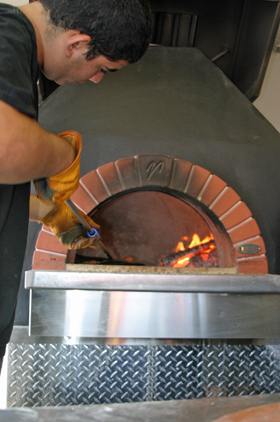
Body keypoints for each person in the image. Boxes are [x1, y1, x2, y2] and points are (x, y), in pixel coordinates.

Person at [0, 0, 152, 371]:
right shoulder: (7, 35)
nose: (97, 79)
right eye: (101, 68)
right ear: (77, 45)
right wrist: (62, 156)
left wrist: (49, 213)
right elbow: (5, 144)